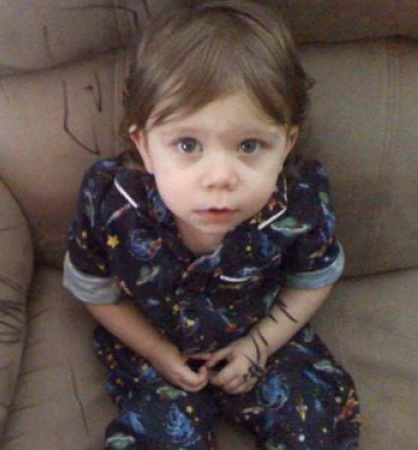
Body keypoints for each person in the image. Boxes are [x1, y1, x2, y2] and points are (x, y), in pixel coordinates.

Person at [63, 1, 361, 448]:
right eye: (187, 145)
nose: (220, 177)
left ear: (286, 145)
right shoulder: (111, 200)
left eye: (249, 145)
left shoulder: (300, 202)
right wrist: (159, 354)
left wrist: (258, 346)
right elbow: (94, 288)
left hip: (263, 338)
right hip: (153, 345)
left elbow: (314, 278)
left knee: (316, 425)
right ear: (143, 146)